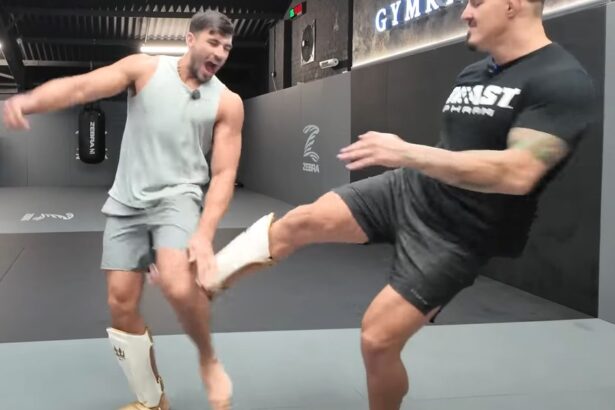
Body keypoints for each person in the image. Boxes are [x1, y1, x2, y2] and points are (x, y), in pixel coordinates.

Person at [202, 0, 596, 409]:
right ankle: (206, 282)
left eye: (477, 2)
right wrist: (415, 164)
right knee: (302, 220)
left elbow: (519, 173)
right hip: (413, 189)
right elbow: (456, 148)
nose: (465, 13)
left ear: (513, 6)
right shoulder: (474, 72)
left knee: (377, 340)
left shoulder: (560, 81)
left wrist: (407, 152)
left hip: (460, 233)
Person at [2, 10, 242, 410]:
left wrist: (204, 233)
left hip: (178, 198)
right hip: (127, 201)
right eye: (213, 42)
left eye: (227, 48)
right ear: (190, 39)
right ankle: (152, 399)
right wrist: (30, 100)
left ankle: (208, 359)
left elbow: (224, 173)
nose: (220, 53)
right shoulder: (144, 69)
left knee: (178, 284)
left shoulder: (228, 102)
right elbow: (82, 87)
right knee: (120, 304)